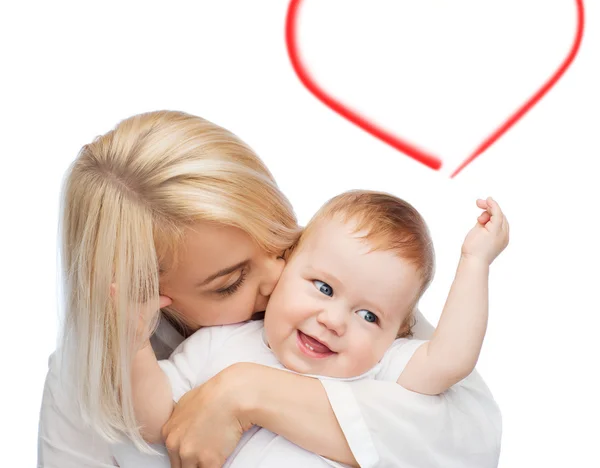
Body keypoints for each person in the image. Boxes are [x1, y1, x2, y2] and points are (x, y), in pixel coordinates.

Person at [37, 110, 502, 468]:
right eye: (231, 282)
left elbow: (466, 435)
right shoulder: (91, 372)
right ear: (146, 294)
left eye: (281, 240)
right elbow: (153, 420)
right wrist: (133, 347)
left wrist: (247, 392)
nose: (279, 278)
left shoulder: (348, 294)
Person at [129, 191, 508, 467]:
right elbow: (155, 423)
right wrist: (133, 343)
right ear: (286, 264)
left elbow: (451, 358)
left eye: (369, 316)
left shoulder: (380, 368)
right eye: (324, 288)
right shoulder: (218, 342)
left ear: (399, 332)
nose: (333, 320)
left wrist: (475, 261)